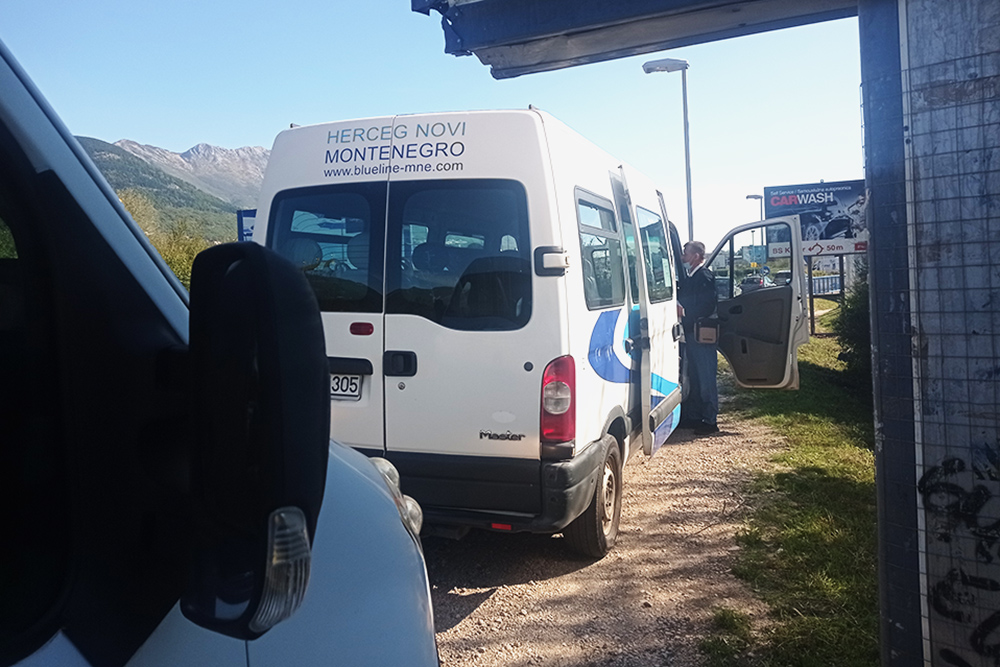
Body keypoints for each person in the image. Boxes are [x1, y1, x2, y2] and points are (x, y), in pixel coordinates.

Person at [678, 241, 719, 435]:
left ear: (696, 256)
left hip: (701, 334)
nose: (683, 255)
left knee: (705, 377)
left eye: (686, 252)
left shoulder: (704, 276)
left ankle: (710, 420)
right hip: (691, 333)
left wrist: (684, 312)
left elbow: (708, 305)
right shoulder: (691, 276)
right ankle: (694, 416)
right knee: (693, 375)